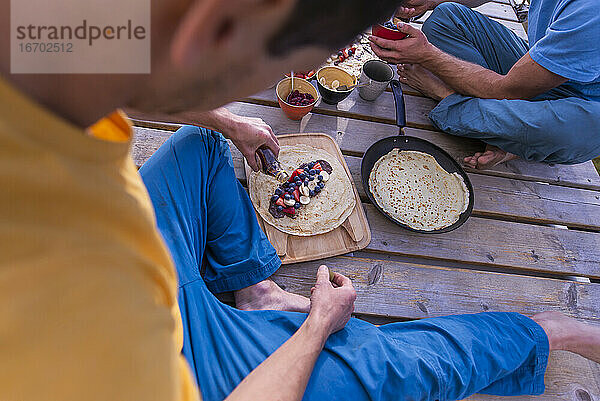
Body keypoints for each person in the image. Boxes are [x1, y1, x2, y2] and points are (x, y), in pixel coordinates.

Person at [1, 1, 599, 401]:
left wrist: (224, 121)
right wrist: (315, 327)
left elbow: (91, 53)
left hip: (114, 262)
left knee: (200, 143)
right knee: (389, 369)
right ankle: (547, 333)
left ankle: (255, 290)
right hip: (179, 362)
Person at [369, 0, 600, 169]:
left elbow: (506, 89)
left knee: (563, 130)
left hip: (585, 110)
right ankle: (508, 133)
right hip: (542, 68)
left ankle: (448, 97)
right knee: (447, 17)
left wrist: (428, 56)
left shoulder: (592, 14)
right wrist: (431, 1)